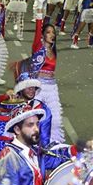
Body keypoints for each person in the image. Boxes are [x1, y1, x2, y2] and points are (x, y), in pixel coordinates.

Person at [29, 13, 64, 143]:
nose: (51, 34)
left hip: (52, 87)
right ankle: (33, 144)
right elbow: (38, 32)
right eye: (48, 32)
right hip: (38, 88)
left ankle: (54, 144)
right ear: (43, 35)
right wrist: (39, 17)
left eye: (53, 32)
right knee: (34, 117)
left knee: (55, 119)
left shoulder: (53, 51)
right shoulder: (38, 47)